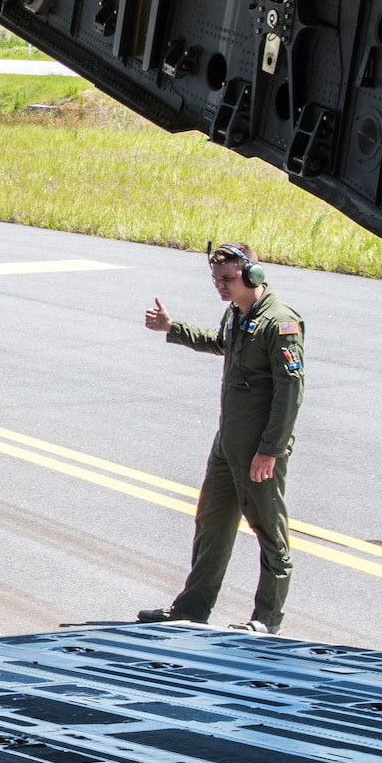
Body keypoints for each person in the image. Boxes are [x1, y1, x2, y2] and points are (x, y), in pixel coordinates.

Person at [139, 243, 304, 633]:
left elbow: (290, 392)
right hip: (228, 441)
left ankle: (267, 619)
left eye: (228, 279)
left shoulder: (280, 322)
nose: (221, 287)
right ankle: (192, 608)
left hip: (258, 448)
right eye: (216, 280)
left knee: (269, 532)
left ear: (253, 275)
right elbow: (221, 343)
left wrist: (270, 451)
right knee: (212, 525)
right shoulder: (237, 313)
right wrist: (172, 328)